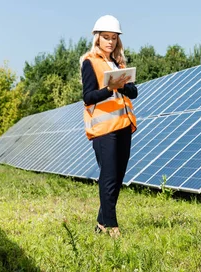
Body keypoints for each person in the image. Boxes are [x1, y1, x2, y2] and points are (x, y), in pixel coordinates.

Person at [80, 15, 138, 238]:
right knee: (108, 176)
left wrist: (122, 86)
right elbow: (88, 97)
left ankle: (101, 224)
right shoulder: (90, 62)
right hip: (104, 129)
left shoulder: (119, 64)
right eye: (106, 37)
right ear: (97, 38)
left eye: (114, 38)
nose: (110, 42)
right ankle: (113, 226)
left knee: (117, 177)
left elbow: (134, 92)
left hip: (124, 125)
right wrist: (109, 88)